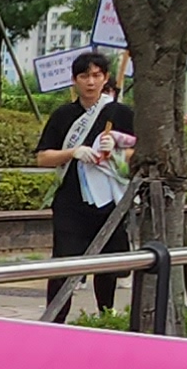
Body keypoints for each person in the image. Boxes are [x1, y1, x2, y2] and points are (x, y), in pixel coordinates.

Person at [36, 50, 135, 313]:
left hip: (109, 202)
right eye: (84, 76)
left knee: (107, 266)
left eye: (96, 75)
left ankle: (106, 317)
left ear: (106, 78)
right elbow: (43, 157)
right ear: (74, 80)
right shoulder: (63, 115)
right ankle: (55, 320)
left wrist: (117, 151)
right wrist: (73, 152)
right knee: (63, 266)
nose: (90, 82)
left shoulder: (120, 113)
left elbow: (138, 154)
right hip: (71, 204)